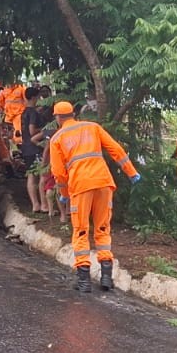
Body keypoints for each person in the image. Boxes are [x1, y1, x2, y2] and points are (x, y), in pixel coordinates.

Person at [48, 100, 142, 292]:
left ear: (57, 117)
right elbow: (116, 150)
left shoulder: (57, 139)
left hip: (81, 186)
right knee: (102, 227)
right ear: (73, 114)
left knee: (81, 230)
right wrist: (131, 172)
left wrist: (64, 194)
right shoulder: (93, 127)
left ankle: (84, 281)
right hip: (103, 182)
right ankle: (106, 277)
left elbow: (58, 173)